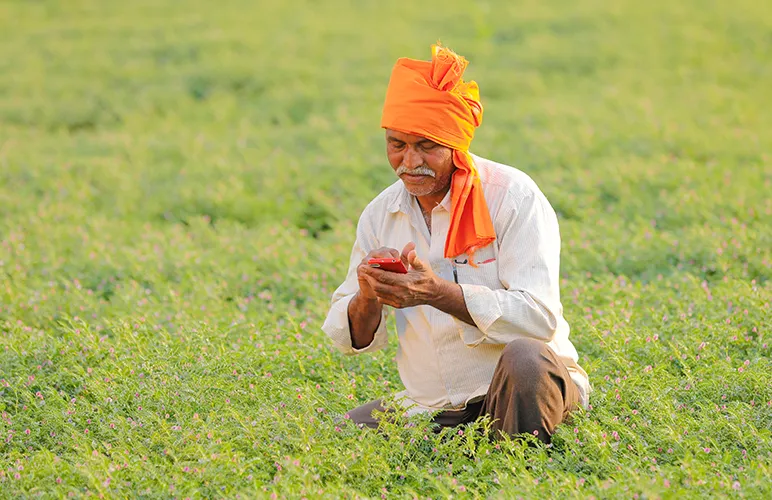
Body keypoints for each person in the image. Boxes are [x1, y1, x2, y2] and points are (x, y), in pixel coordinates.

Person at [321, 44, 590, 443]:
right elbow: (350, 340)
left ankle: (518, 467)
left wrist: (436, 292)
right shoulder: (381, 214)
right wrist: (368, 293)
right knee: (340, 437)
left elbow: (539, 319)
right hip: (431, 405)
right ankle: (469, 445)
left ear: (455, 144)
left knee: (527, 360)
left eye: (426, 145)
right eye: (397, 144)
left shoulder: (512, 197)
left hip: (520, 390)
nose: (409, 162)